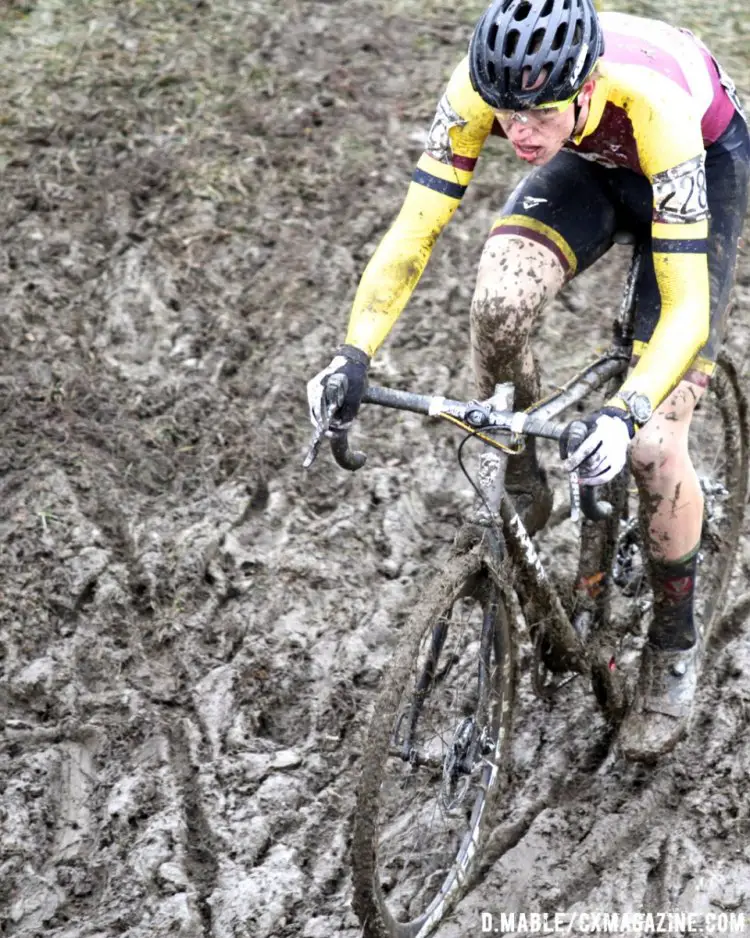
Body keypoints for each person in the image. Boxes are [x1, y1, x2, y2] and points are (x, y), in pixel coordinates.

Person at [306, 0, 750, 760]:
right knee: (497, 300)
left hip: (693, 165)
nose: (518, 135)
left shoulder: (657, 105)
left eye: (535, 115)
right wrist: (354, 353)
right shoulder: (489, 90)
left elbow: (685, 312)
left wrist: (625, 411)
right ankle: (524, 479)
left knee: (650, 447)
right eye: (506, 113)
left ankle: (673, 647)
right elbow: (413, 233)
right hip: (591, 161)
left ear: (583, 86)